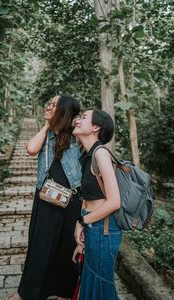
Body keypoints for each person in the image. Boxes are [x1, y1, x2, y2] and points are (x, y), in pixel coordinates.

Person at [7, 95, 82, 300]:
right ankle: (28, 293)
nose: (48, 106)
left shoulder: (76, 136)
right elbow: (31, 149)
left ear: (64, 111)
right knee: (40, 246)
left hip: (72, 201)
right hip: (46, 199)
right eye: (49, 103)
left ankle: (64, 292)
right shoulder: (48, 135)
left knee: (67, 247)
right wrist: (47, 125)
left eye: (54, 105)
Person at [72, 109, 122, 300]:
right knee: (91, 285)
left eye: (84, 117)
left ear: (95, 127)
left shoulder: (100, 154)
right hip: (94, 227)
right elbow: (87, 198)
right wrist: (82, 234)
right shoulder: (86, 154)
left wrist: (82, 221)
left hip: (104, 229)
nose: (78, 120)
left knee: (101, 287)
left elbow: (114, 202)